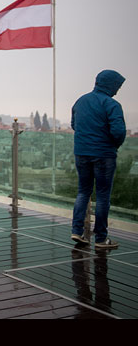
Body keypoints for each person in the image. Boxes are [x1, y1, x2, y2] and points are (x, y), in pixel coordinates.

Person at [70, 69, 126, 250]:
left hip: (81, 152)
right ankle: (101, 239)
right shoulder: (112, 104)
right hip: (104, 154)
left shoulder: (81, 101)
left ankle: (77, 231)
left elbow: (74, 125)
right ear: (111, 85)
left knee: (83, 192)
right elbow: (118, 132)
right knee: (102, 196)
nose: (117, 90)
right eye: (117, 86)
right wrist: (113, 145)